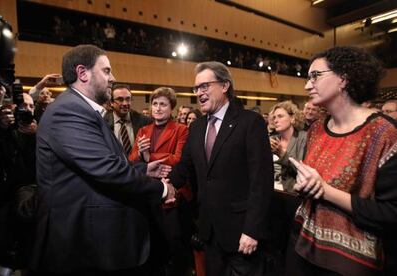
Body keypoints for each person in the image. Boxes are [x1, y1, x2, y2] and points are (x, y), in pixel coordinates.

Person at [31, 44, 176, 275]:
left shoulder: (83, 110)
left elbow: (107, 161)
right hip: (81, 241)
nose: (113, 78)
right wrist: (161, 189)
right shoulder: (68, 110)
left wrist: (143, 169)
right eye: (107, 71)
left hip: (94, 239)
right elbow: (107, 170)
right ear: (82, 73)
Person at [286, 46, 397, 275]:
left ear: (344, 79)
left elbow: (390, 213)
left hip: (349, 263)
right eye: (307, 78)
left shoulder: (383, 133)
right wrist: (304, 185)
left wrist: (324, 190)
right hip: (303, 246)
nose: (307, 85)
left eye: (315, 76)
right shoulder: (316, 129)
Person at [169, 61, 274, 275]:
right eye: (196, 88)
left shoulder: (250, 122)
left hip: (241, 234)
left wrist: (252, 230)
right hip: (208, 233)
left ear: (225, 86)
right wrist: (166, 185)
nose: (199, 93)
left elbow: (261, 181)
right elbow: (185, 166)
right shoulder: (197, 126)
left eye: (204, 86)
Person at [129, 87, 192, 276]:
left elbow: (179, 159)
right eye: (155, 104)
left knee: (174, 242)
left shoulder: (181, 130)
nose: (157, 108)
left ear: (171, 108)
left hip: (173, 192)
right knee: (153, 243)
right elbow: (131, 161)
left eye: (163, 104)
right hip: (148, 192)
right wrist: (142, 155)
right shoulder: (143, 130)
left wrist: (148, 157)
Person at [104, 83, 152, 156]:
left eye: (128, 99)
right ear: (111, 103)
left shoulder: (144, 121)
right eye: (120, 99)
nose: (125, 103)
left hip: (139, 165)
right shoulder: (103, 122)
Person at [269, 101, 307, 193]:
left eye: (280, 116)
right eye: (274, 117)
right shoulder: (272, 139)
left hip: (292, 193)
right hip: (271, 192)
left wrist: (281, 153)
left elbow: (303, 171)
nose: (276, 120)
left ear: (292, 118)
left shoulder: (303, 138)